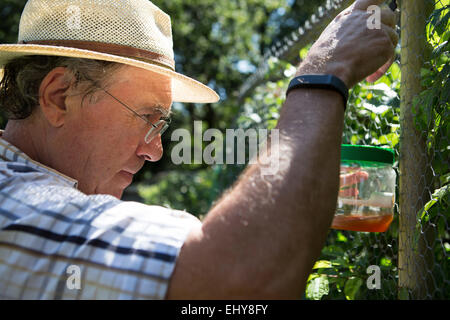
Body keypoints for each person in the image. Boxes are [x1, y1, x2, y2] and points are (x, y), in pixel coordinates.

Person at [0, 0, 398, 299]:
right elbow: (239, 281)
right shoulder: (16, 210)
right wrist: (324, 74)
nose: (155, 150)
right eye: (147, 117)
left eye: (162, 125)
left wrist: (304, 188)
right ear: (59, 95)